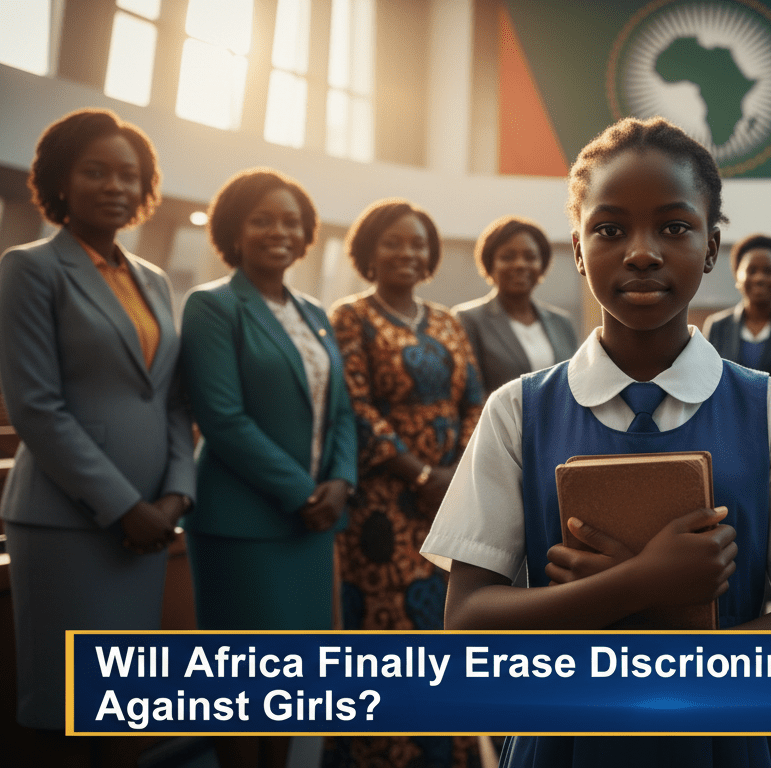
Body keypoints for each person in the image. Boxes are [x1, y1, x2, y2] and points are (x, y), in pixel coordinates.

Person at [420, 116, 771, 768]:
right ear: (577, 249)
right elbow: (465, 625)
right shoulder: (518, 411)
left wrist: (639, 630)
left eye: (674, 227)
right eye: (609, 230)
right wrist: (641, 583)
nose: (642, 252)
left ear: (711, 248)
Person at [0, 108, 192, 767]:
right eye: (95, 171)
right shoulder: (29, 268)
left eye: (129, 175)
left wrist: (175, 496)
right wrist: (125, 507)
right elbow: (36, 407)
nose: (115, 186)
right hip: (68, 523)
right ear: (60, 179)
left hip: (148, 527)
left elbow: (170, 398)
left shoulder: (154, 279)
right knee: (69, 712)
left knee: (124, 710)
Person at [179, 167, 357, 768]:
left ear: (306, 234)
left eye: (290, 221)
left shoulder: (314, 312)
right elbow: (222, 418)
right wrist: (304, 493)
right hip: (243, 524)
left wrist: (341, 482)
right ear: (234, 230)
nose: (279, 231)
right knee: (238, 688)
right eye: (262, 220)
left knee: (291, 687)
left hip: (310, 527)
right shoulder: (213, 305)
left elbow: (340, 410)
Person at [326, 199, 483, 768]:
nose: (407, 253)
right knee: (387, 634)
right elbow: (356, 406)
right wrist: (419, 473)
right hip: (383, 511)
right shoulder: (350, 317)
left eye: (418, 244)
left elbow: (475, 400)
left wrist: (455, 473)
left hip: (448, 505)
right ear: (369, 251)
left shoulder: (446, 321)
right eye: (393, 242)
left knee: (445, 630)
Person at [453, 215, 579, 396]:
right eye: (507, 257)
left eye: (530, 257)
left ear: (542, 264)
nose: (520, 264)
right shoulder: (468, 320)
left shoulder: (562, 322)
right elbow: (469, 393)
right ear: (490, 263)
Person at [702, 234, 771, 382]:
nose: (759, 278)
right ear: (737, 275)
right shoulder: (717, 326)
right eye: (751, 270)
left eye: (769, 271)